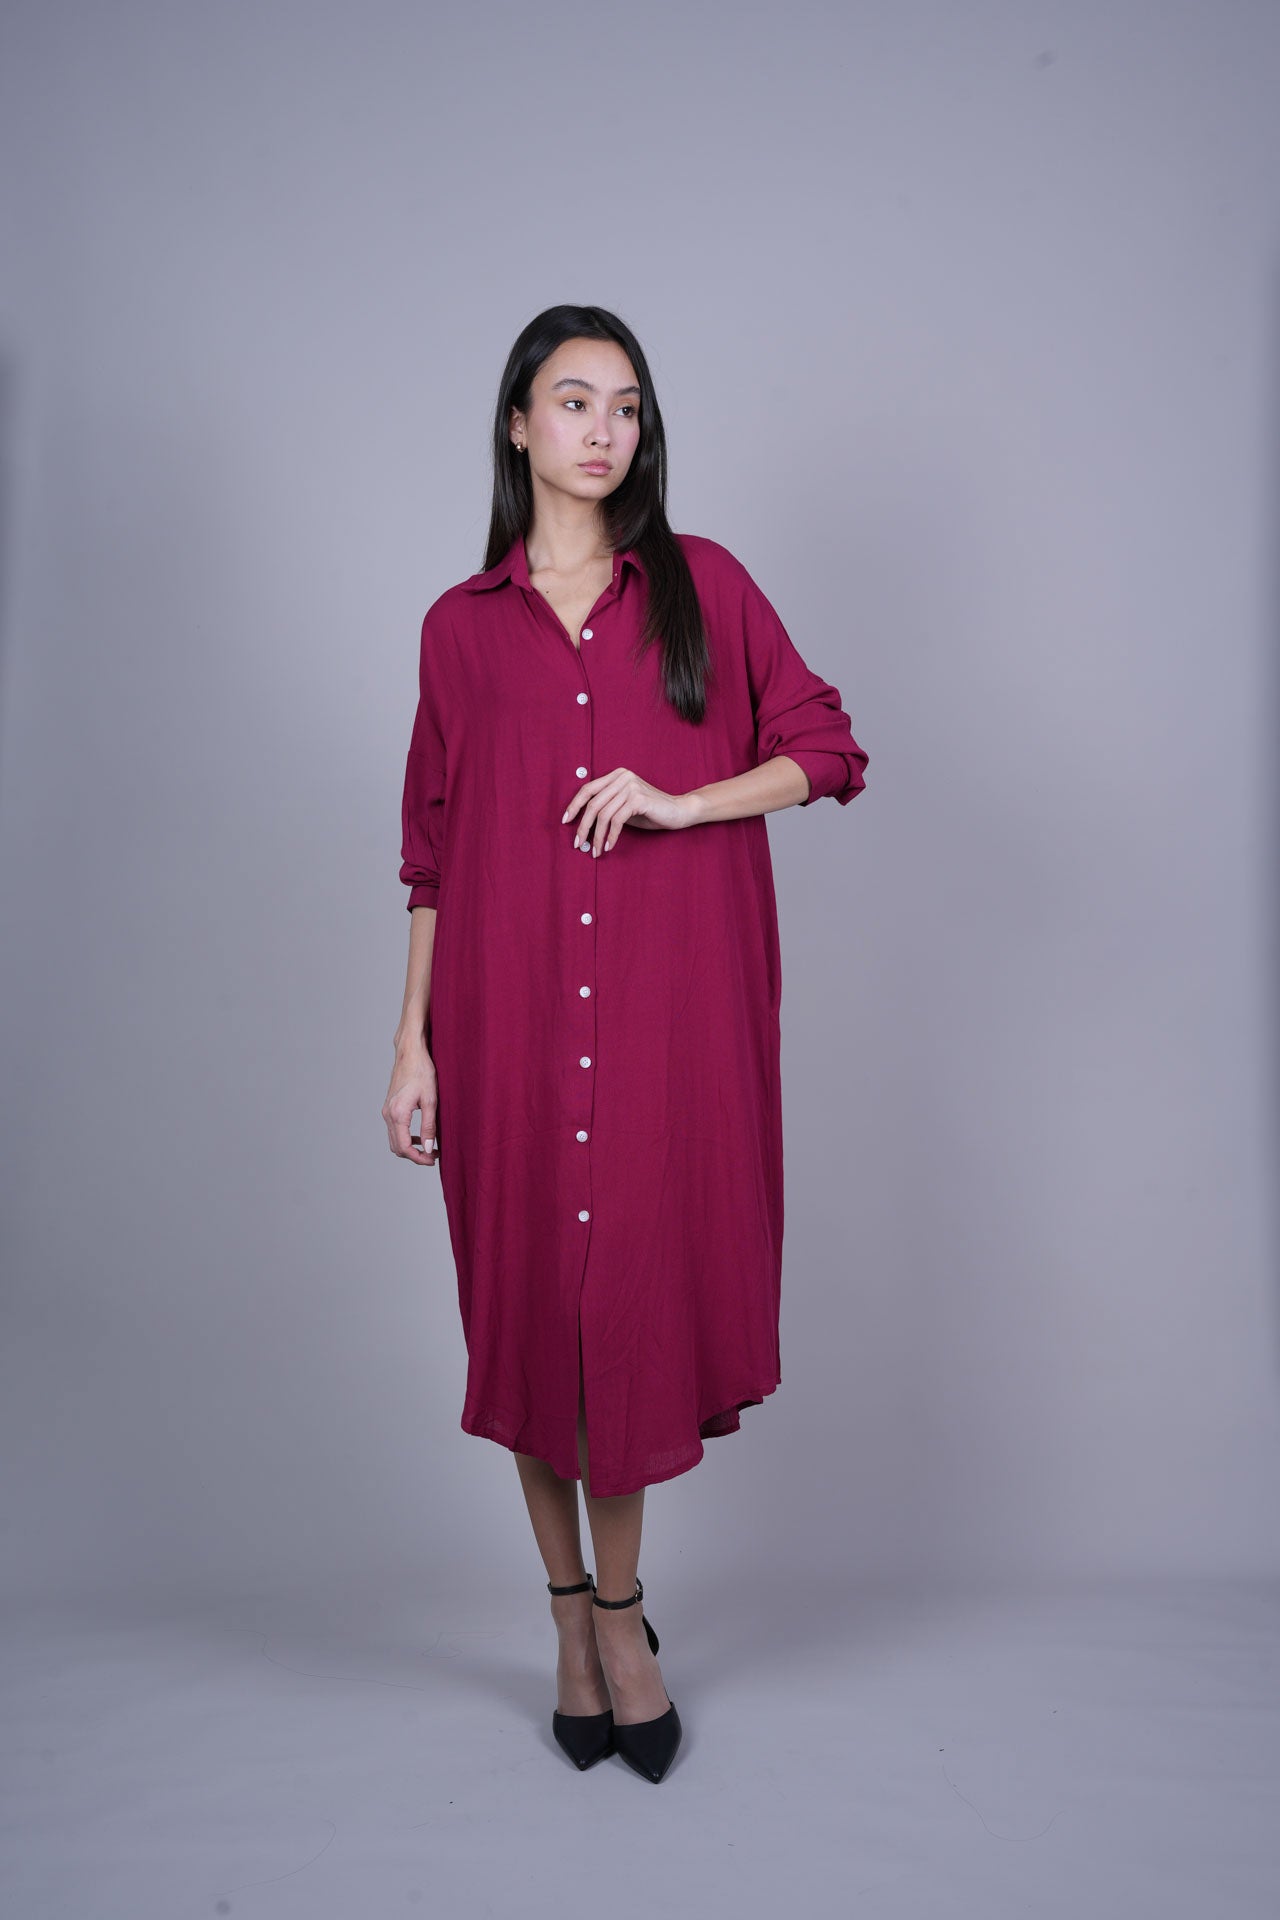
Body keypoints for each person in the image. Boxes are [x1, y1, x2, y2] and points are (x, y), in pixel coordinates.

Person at [382, 305, 868, 1783]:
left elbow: (826, 748)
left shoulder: (705, 588)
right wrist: (411, 1045)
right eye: (575, 400)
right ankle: (570, 1622)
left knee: (626, 1325)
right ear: (518, 424)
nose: (605, 430)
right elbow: (430, 855)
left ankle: (623, 1613)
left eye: (629, 406)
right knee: (535, 1316)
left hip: (663, 1028)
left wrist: (681, 796)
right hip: (503, 1019)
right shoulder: (460, 629)